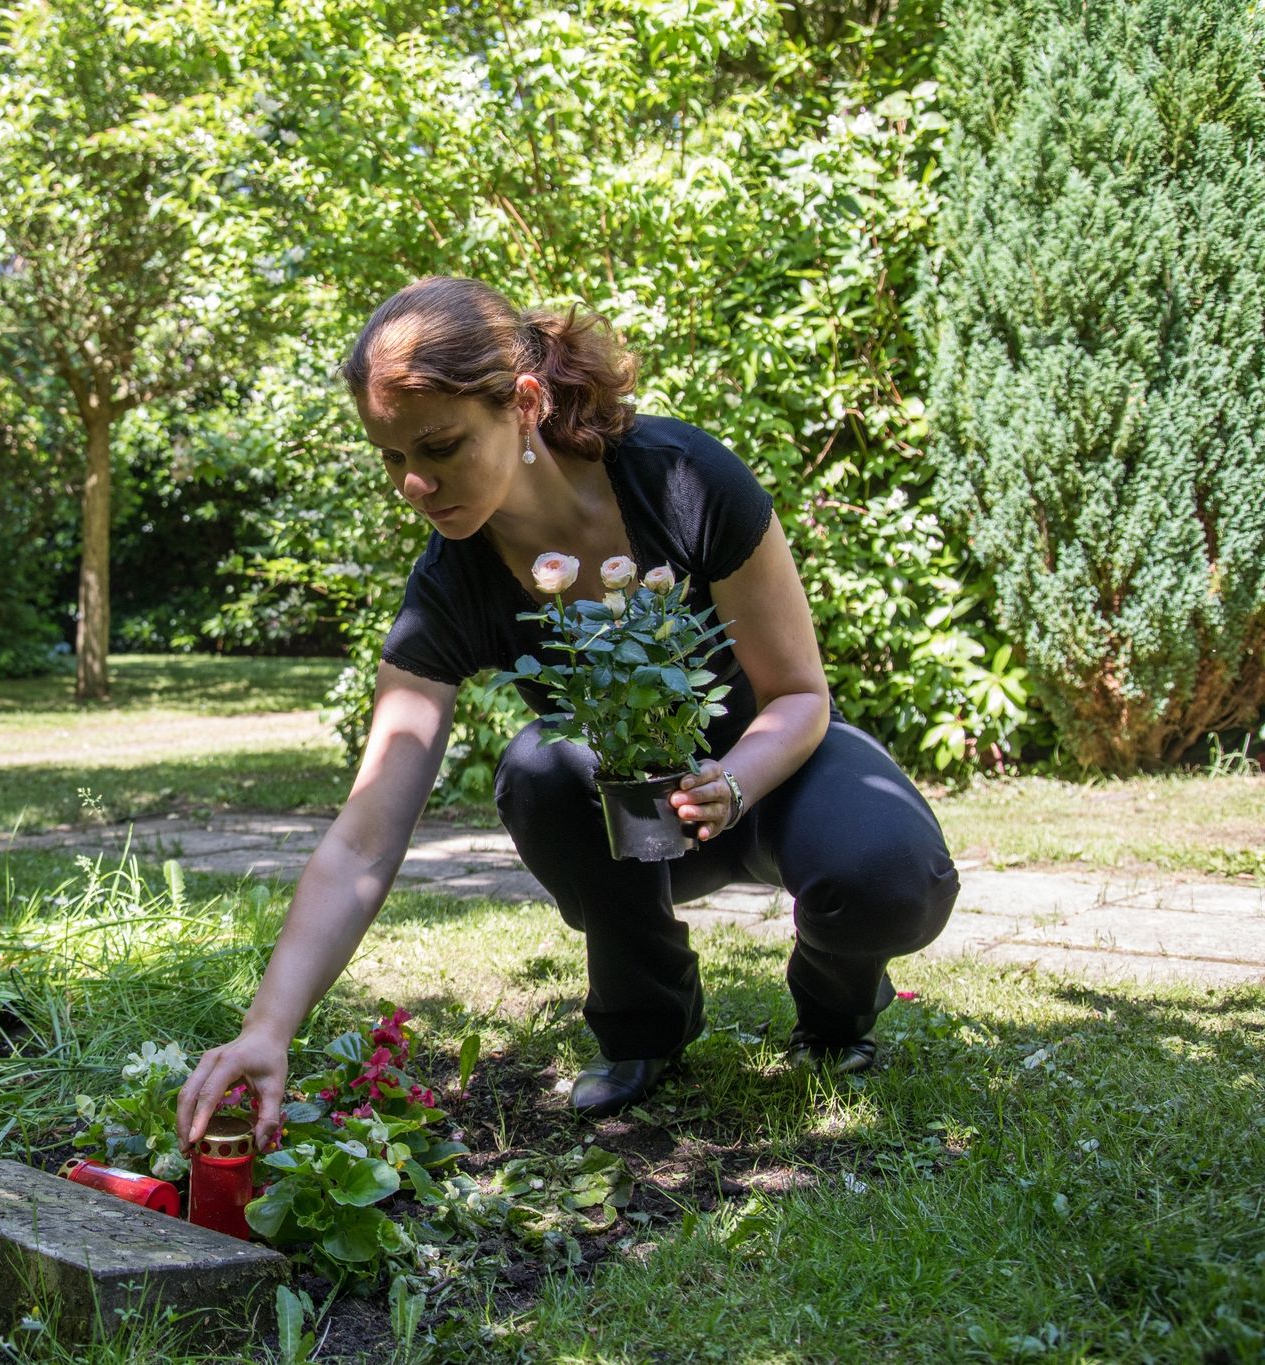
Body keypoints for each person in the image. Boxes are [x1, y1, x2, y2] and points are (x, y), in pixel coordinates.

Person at [177, 276, 959, 1152]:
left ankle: (834, 1007)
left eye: (438, 445)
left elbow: (800, 696)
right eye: (391, 458)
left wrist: (733, 782)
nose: (413, 484)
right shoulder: (452, 581)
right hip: (638, 825)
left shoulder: (684, 477)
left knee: (894, 878)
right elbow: (366, 834)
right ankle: (646, 1027)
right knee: (544, 767)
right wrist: (267, 1027)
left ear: (523, 403)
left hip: (773, 771)